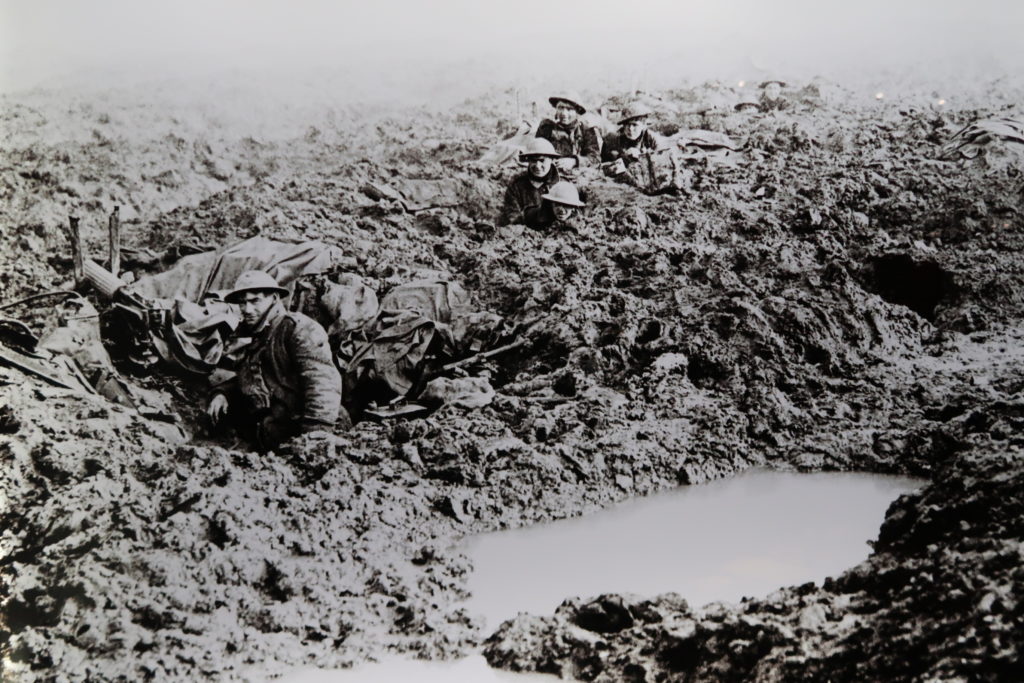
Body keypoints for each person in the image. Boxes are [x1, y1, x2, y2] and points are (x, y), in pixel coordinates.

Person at [207, 270, 342, 451]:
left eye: (255, 301)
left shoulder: (296, 328)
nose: (247, 309)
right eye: (242, 303)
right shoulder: (257, 335)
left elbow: (322, 382)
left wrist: (316, 437)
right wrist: (223, 393)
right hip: (275, 434)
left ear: (274, 298)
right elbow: (252, 377)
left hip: (315, 432)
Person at [497, 137, 562, 226]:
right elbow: (512, 218)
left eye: (542, 160)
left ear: (551, 160)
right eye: (533, 160)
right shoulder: (517, 185)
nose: (537, 166)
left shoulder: (562, 185)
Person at [535, 91, 602, 175]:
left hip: (578, 176)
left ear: (577, 111)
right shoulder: (546, 129)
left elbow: (595, 159)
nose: (564, 113)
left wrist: (575, 161)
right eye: (560, 108)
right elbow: (535, 153)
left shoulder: (586, 130)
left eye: (569, 109)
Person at [601, 102, 665, 178]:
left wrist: (642, 156)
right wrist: (622, 158)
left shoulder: (652, 139)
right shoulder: (612, 139)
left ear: (643, 125)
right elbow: (603, 168)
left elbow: (662, 167)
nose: (630, 129)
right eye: (627, 125)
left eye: (635, 125)